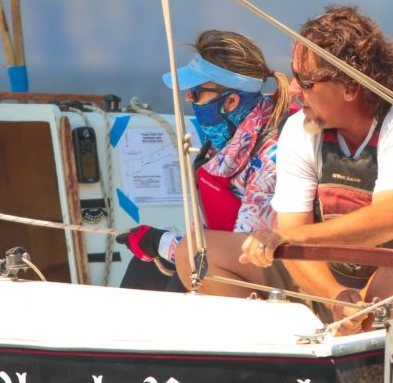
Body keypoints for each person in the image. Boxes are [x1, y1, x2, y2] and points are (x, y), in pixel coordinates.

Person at [225, 5, 393, 329]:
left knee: (382, 291)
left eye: (305, 81)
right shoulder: (300, 130)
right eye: (293, 75)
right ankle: (259, 364)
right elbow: (290, 235)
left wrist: (290, 238)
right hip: (340, 279)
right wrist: (336, 296)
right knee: (202, 254)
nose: (292, 89)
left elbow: (390, 220)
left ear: (349, 86)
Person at [118, 29, 290, 291]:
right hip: (228, 261)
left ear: (230, 101)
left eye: (196, 92)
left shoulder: (271, 159)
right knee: (142, 270)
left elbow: (241, 252)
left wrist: (159, 243)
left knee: (176, 284)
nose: (188, 98)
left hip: (266, 272)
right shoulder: (222, 146)